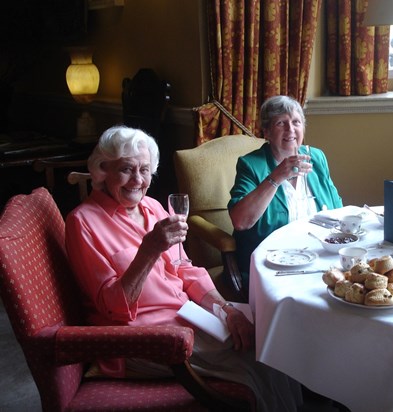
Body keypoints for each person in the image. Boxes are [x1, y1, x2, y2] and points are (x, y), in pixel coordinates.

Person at [65, 125, 303, 412]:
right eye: (126, 169)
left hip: (187, 317)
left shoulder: (152, 207)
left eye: (144, 170)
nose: (137, 180)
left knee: (272, 344)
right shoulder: (83, 223)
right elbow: (114, 308)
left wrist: (226, 310)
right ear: (102, 170)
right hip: (143, 338)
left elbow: (185, 271)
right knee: (260, 362)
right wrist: (150, 249)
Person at [228, 95, 342, 288]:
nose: (291, 130)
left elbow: (337, 210)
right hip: (273, 266)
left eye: (296, 122)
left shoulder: (316, 157)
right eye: (281, 123)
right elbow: (240, 221)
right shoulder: (251, 165)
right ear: (267, 131)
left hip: (319, 259)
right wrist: (277, 176)